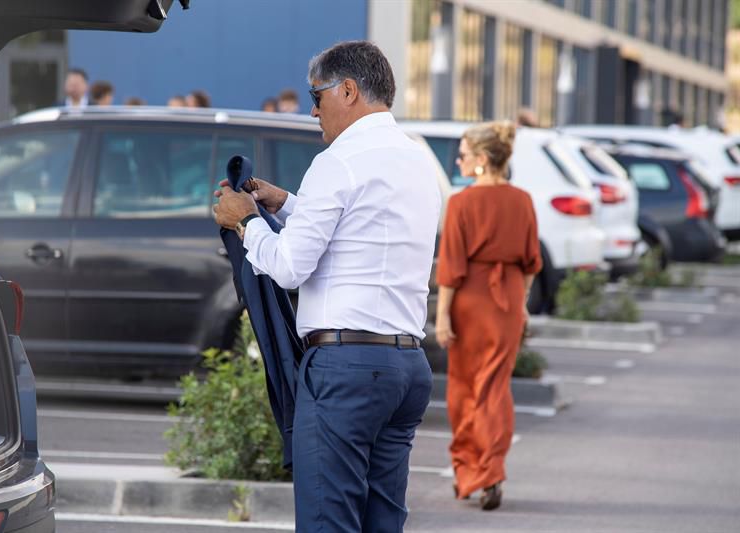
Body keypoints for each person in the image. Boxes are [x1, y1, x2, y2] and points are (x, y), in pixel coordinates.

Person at [214, 40, 440, 532]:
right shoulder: (417, 159)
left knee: (327, 523)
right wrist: (288, 204)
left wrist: (246, 221)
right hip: (406, 366)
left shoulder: (338, 161)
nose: (312, 109)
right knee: (382, 524)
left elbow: (291, 267)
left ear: (350, 90)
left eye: (317, 96)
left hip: (347, 369)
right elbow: (365, 233)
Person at [434, 121, 542, 511]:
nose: (458, 160)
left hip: (469, 300)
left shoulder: (462, 204)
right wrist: (522, 302)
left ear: (481, 160)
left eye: (462, 154)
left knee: (464, 388)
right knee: (494, 388)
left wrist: (443, 317)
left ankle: (471, 470)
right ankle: (491, 468)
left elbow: (451, 268)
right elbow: (531, 261)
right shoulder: (523, 200)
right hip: (508, 298)